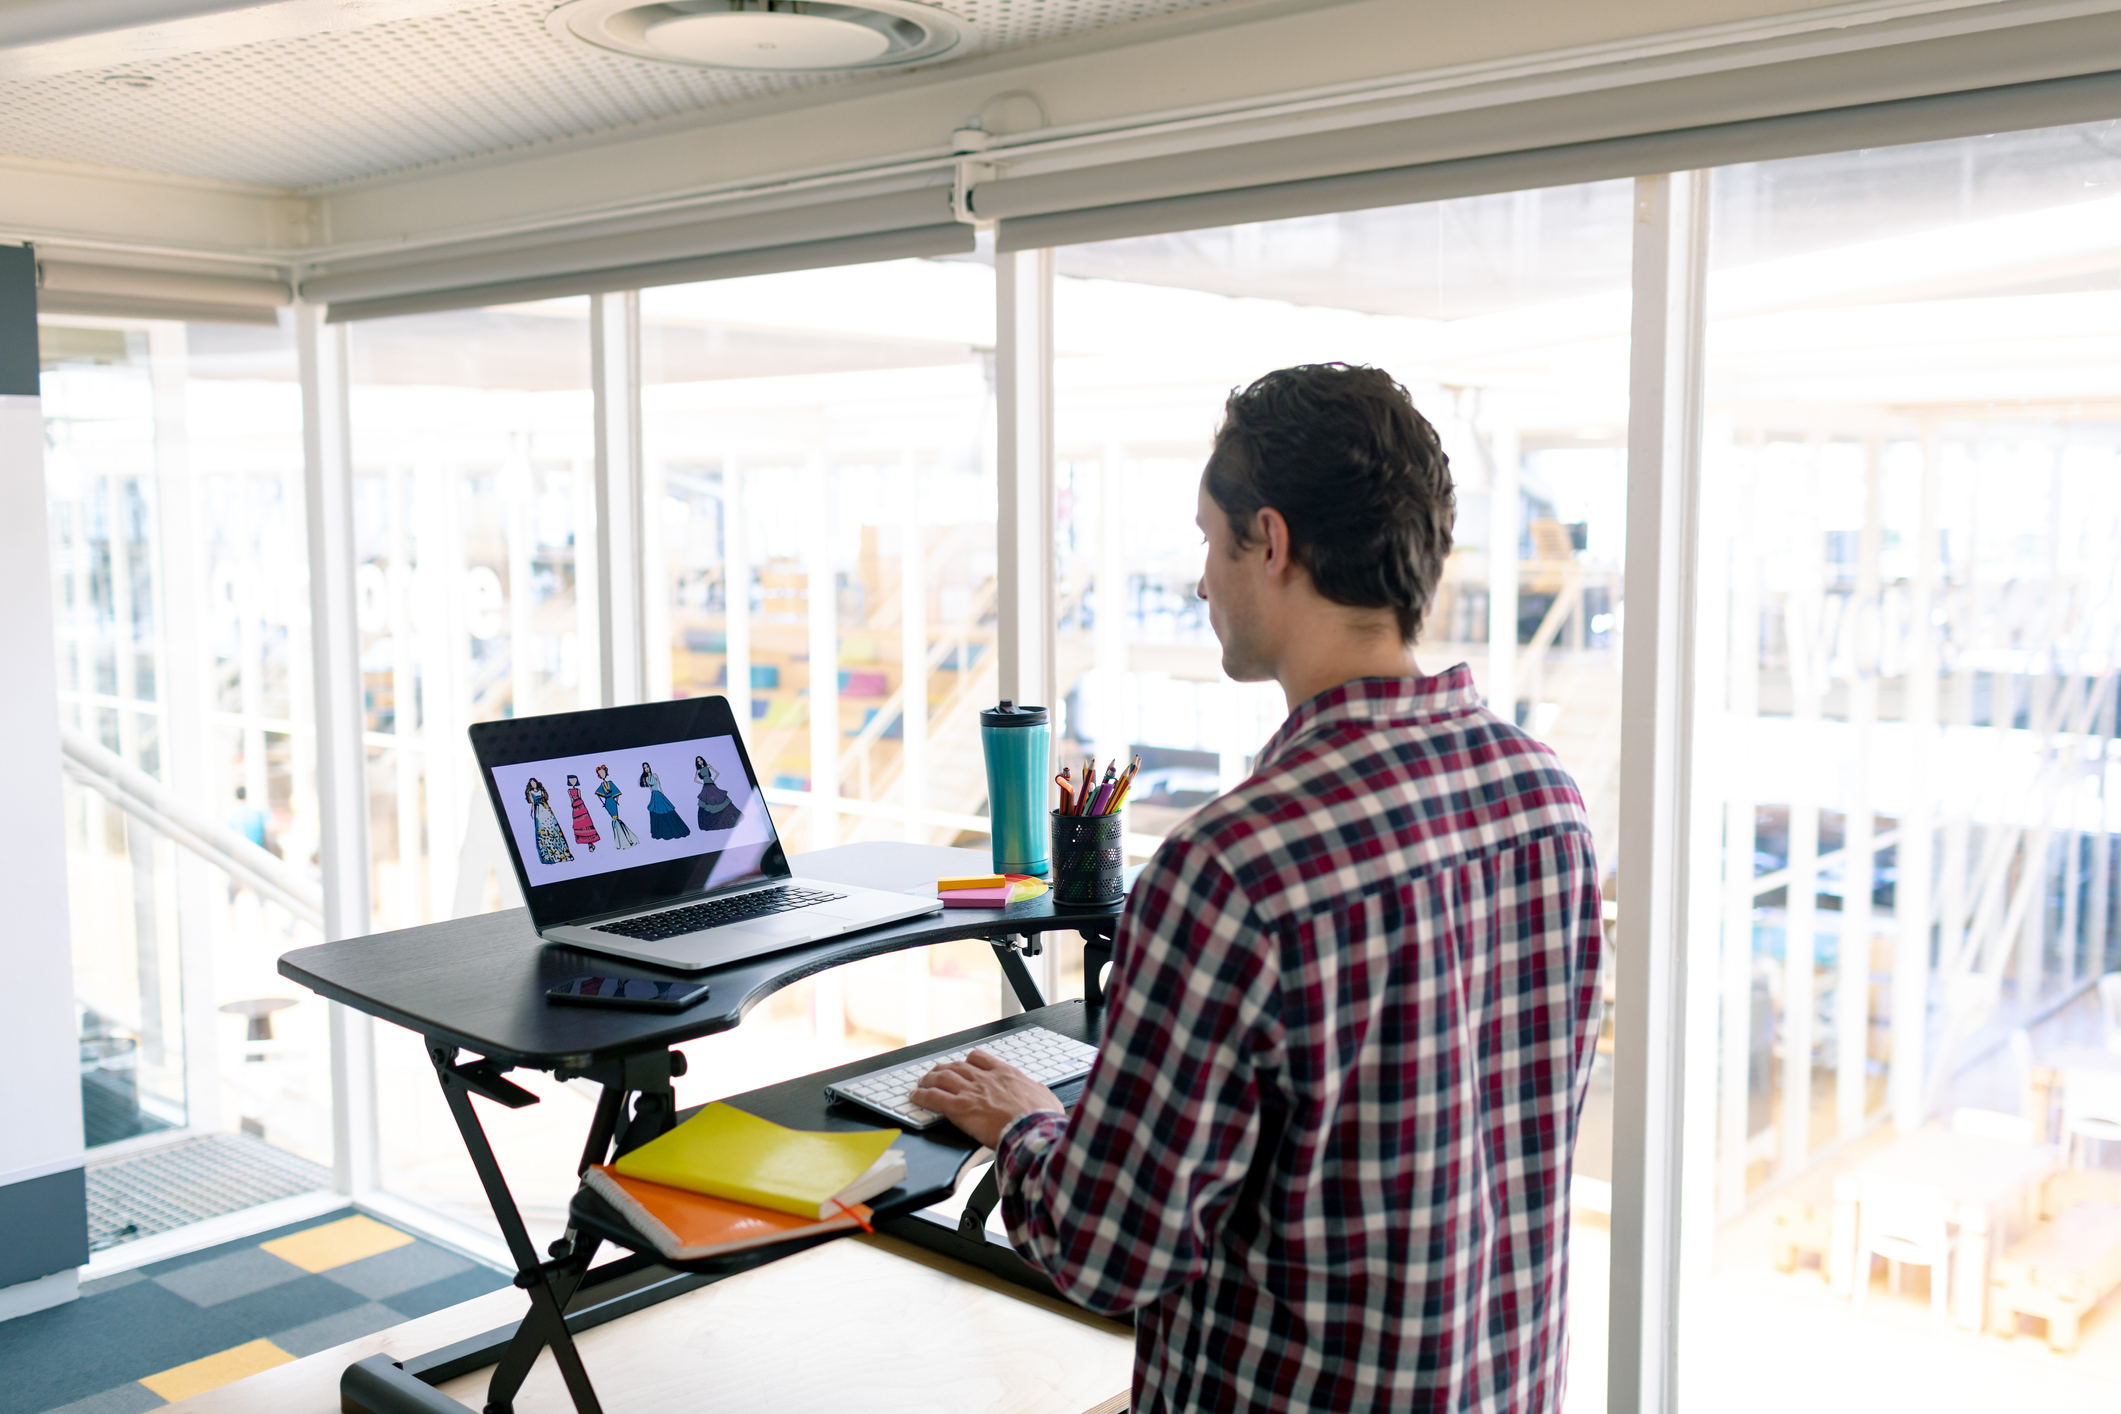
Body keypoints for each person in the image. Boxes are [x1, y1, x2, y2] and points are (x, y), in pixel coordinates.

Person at [913, 364, 1606, 1413]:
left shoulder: (1232, 869)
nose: (1200, 581)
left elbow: (1107, 1253)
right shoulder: (1547, 802)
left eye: (1208, 538)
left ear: (1270, 543)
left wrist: (1022, 1124)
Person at [524, 777, 572, 865]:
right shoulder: (530, 792)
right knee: (543, 831)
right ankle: (549, 855)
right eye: (532, 783)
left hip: (545, 809)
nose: (533, 784)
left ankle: (562, 853)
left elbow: (546, 800)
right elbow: (533, 803)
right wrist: (531, 812)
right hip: (538, 811)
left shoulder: (541, 791)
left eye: (534, 782)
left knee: (553, 828)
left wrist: (550, 809)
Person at [593, 764, 639, 849]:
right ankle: (620, 839)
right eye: (600, 773)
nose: (602, 774)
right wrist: (603, 803)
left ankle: (624, 838)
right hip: (607, 802)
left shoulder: (610, 782)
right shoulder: (601, 785)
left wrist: (617, 801)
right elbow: (597, 793)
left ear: (606, 772)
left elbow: (617, 792)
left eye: (603, 772)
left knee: (616, 819)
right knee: (614, 820)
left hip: (612, 802)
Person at [640, 763, 689, 840]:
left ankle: (673, 829)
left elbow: (659, 784)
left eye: (647, 767)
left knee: (666, 810)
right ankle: (660, 831)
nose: (646, 769)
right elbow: (650, 788)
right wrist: (652, 795)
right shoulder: (646, 778)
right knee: (656, 811)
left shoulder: (655, 775)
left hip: (659, 794)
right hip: (654, 795)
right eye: (645, 768)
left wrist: (662, 792)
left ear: (649, 767)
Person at [694, 755, 743, 831]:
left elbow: (717, 773)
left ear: (703, 760)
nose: (700, 762)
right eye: (698, 761)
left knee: (720, 799)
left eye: (700, 760)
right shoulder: (698, 771)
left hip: (711, 784)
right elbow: (695, 780)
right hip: (706, 786)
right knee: (706, 802)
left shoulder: (708, 766)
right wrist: (702, 784)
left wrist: (713, 780)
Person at [566, 773, 600, 853]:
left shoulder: (578, 790)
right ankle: (589, 843)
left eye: (574, 780)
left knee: (586, 822)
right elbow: (571, 798)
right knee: (579, 823)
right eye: (571, 780)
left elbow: (580, 797)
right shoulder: (569, 790)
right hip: (575, 807)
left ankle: (590, 843)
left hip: (581, 806)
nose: (572, 782)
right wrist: (573, 805)